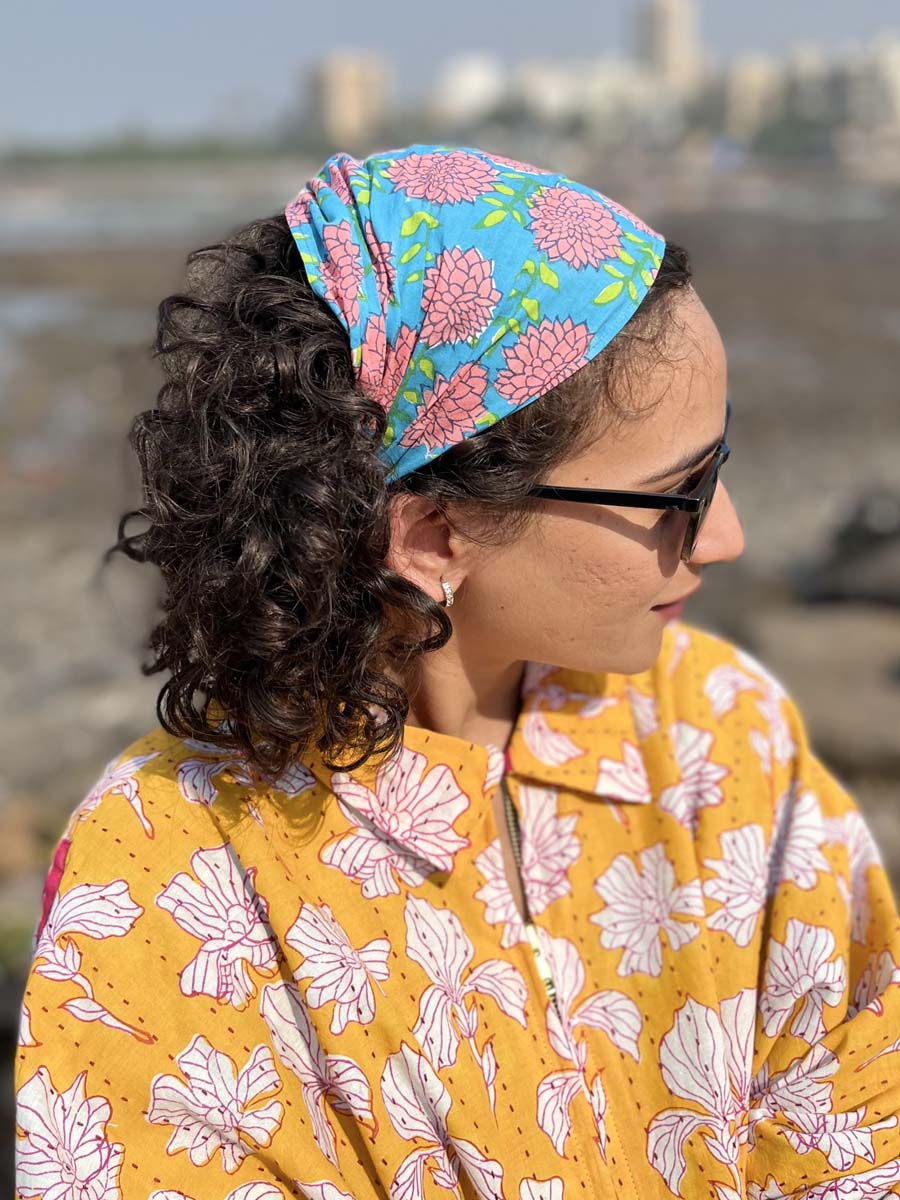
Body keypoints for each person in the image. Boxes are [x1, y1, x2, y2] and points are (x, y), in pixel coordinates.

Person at [13, 144, 900, 1200]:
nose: (728, 539)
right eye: (681, 494)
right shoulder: (165, 879)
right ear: (434, 535)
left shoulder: (720, 731)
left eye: (725, 459)